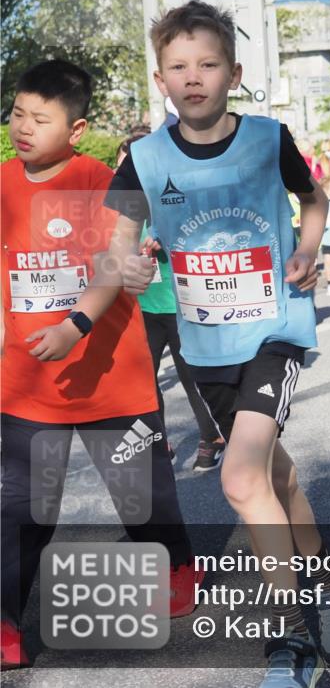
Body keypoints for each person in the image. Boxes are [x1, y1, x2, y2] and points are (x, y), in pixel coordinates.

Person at [98, 1, 330, 683]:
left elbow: (315, 200)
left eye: (207, 64)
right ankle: (325, 579)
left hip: (275, 329)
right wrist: (131, 267)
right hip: (205, 346)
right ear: (160, 79)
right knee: (277, 476)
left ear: (233, 73)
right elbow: (119, 245)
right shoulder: (144, 160)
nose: (194, 78)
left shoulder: (268, 139)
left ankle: (291, 638)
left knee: (241, 476)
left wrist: (306, 249)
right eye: (179, 67)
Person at [1, 60, 201, 670]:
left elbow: (116, 265)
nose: (24, 127)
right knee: (24, 510)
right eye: (17, 114)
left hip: (114, 381)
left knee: (143, 498)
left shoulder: (108, 183)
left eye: (41, 118)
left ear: (78, 128)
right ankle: (6, 622)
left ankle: (176, 565)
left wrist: (75, 325)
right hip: (28, 385)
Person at [120, 133, 227, 472]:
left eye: (131, 162)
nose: (124, 169)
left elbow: (200, 235)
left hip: (180, 305)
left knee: (191, 379)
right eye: (122, 161)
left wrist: (162, 239)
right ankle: (158, 440)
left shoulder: (171, 195)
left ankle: (211, 437)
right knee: (143, 382)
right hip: (143, 308)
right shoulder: (121, 208)